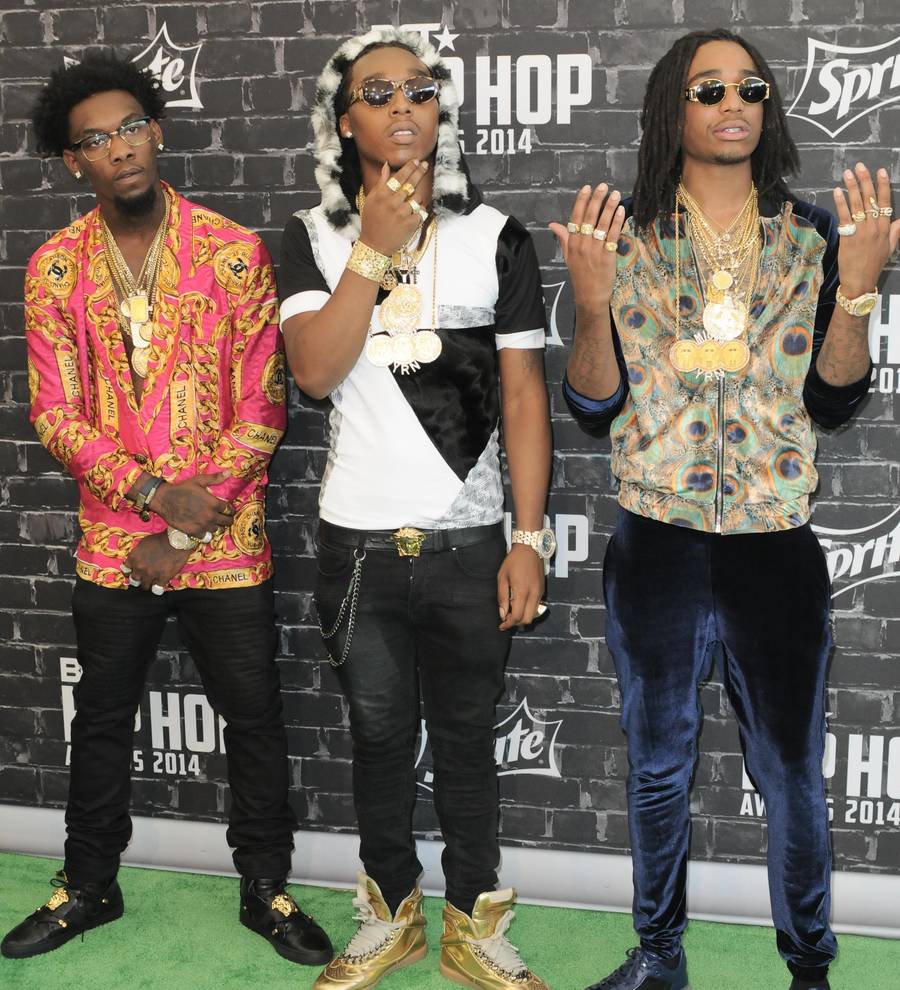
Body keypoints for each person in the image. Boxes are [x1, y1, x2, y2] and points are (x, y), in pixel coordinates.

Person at [555, 28, 899, 990]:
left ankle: (809, 969)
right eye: (709, 90)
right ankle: (659, 957)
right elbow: (591, 404)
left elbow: (833, 399)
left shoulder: (812, 237)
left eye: (751, 88)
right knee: (657, 766)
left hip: (773, 547)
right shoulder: (624, 238)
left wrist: (857, 292)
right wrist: (591, 305)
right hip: (657, 543)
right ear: (673, 108)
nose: (733, 103)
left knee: (789, 770)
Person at [1, 53, 332, 968]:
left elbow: (264, 406)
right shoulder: (54, 269)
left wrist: (182, 530)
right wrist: (149, 498)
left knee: (254, 718)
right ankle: (87, 886)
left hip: (224, 541)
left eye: (130, 128)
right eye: (95, 140)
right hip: (113, 543)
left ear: (157, 131)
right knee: (102, 719)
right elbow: (55, 413)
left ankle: (265, 888)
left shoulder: (233, 253)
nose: (119, 149)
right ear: (73, 160)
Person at [278, 26, 554, 990]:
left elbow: (524, 397)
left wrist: (528, 537)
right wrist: (373, 251)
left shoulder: (495, 235)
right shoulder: (311, 237)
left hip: (471, 544)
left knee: (470, 739)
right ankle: (389, 915)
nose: (403, 105)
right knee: (379, 737)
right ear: (343, 121)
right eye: (378, 91)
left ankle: (475, 926)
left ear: (441, 111)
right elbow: (315, 373)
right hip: (357, 544)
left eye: (421, 89)